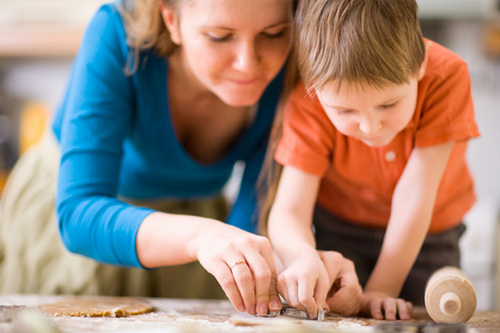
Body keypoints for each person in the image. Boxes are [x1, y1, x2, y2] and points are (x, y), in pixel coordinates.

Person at [0, 0, 362, 318]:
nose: (248, 62)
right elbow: (78, 214)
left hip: (199, 223)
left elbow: (254, 213)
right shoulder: (116, 32)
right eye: (220, 36)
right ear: (170, 20)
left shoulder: (294, 65)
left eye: (273, 33)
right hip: (79, 220)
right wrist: (201, 236)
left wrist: (301, 266)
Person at [261, 0, 480, 320]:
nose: (369, 126)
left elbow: (416, 192)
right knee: (341, 318)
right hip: (340, 229)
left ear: (419, 66)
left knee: (431, 318)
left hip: (429, 233)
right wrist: (301, 256)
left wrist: (382, 289)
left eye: (388, 104)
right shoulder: (304, 100)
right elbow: (290, 208)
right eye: (345, 111)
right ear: (314, 89)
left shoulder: (447, 76)